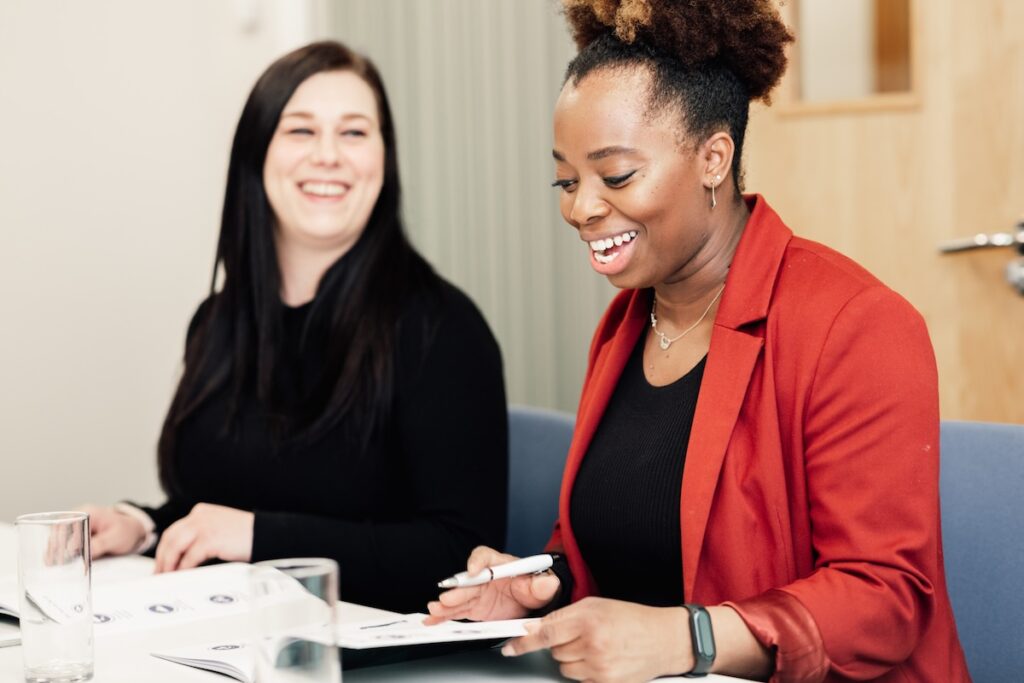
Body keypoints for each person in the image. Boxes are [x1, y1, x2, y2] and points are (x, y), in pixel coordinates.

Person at [426, 1, 971, 681]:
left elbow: (885, 596)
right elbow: (641, 532)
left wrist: (690, 637)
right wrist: (548, 580)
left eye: (616, 176)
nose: (581, 208)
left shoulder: (856, 324)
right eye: (566, 180)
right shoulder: (628, 323)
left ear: (715, 156)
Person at [78, 41, 508, 614]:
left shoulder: (442, 329)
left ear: (385, 158)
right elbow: (221, 501)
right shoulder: (218, 321)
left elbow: (459, 555)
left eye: (354, 133)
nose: (328, 155)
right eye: (301, 131)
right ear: (256, 154)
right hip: (221, 641)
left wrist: (261, 538)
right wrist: (144, 525)